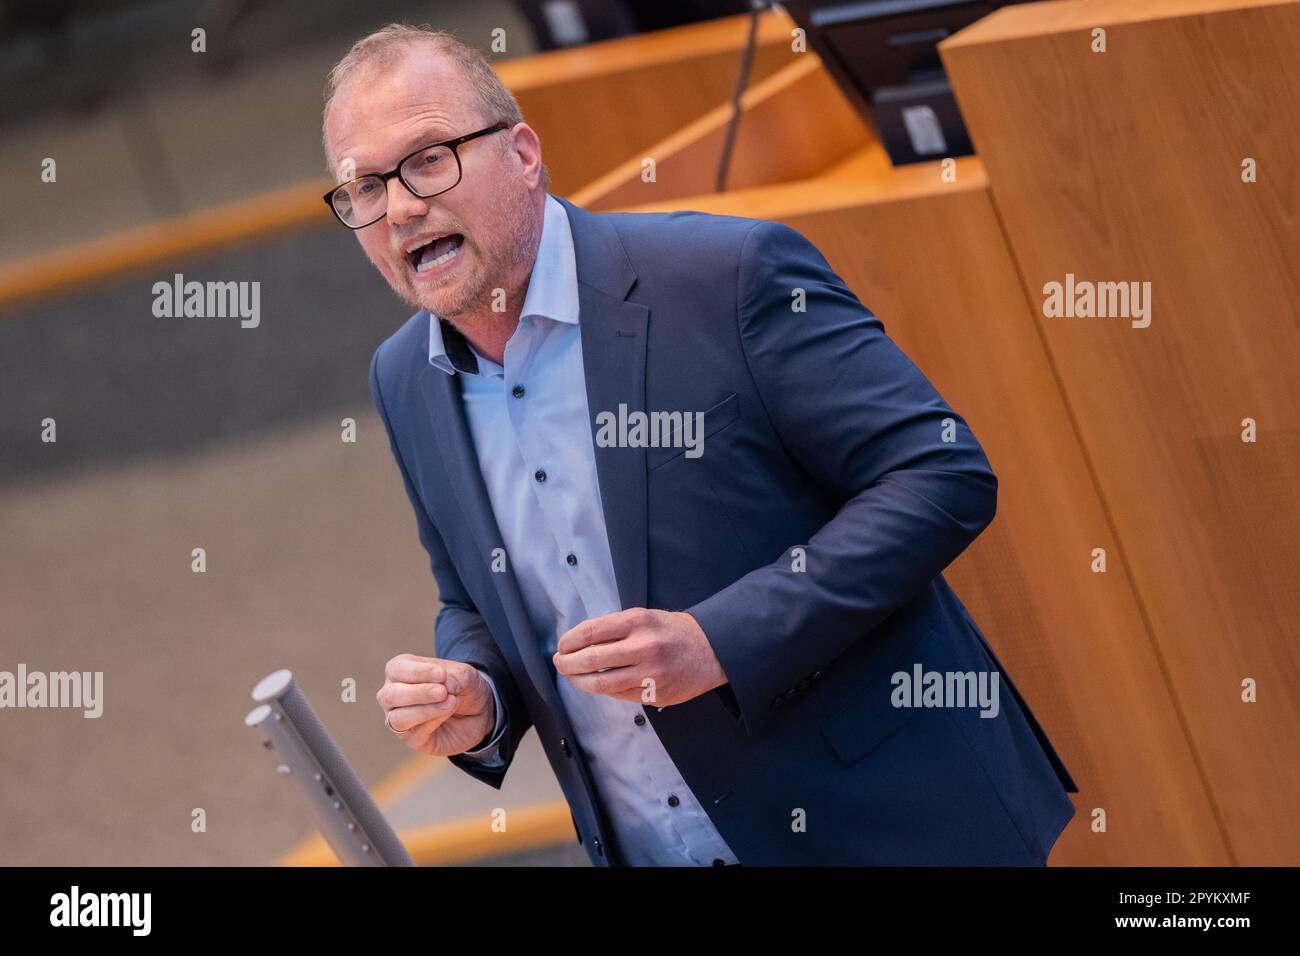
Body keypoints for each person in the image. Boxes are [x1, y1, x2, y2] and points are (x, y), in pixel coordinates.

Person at [323, 23, 1077, 866]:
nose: (400, 207)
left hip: (883, 830)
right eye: (364, 187)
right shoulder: (405, 379)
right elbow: (472, 597)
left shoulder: (727, 277)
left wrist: (719, 641)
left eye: (429, 159)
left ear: (524, 154)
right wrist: (482, 694)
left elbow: (939, 472)